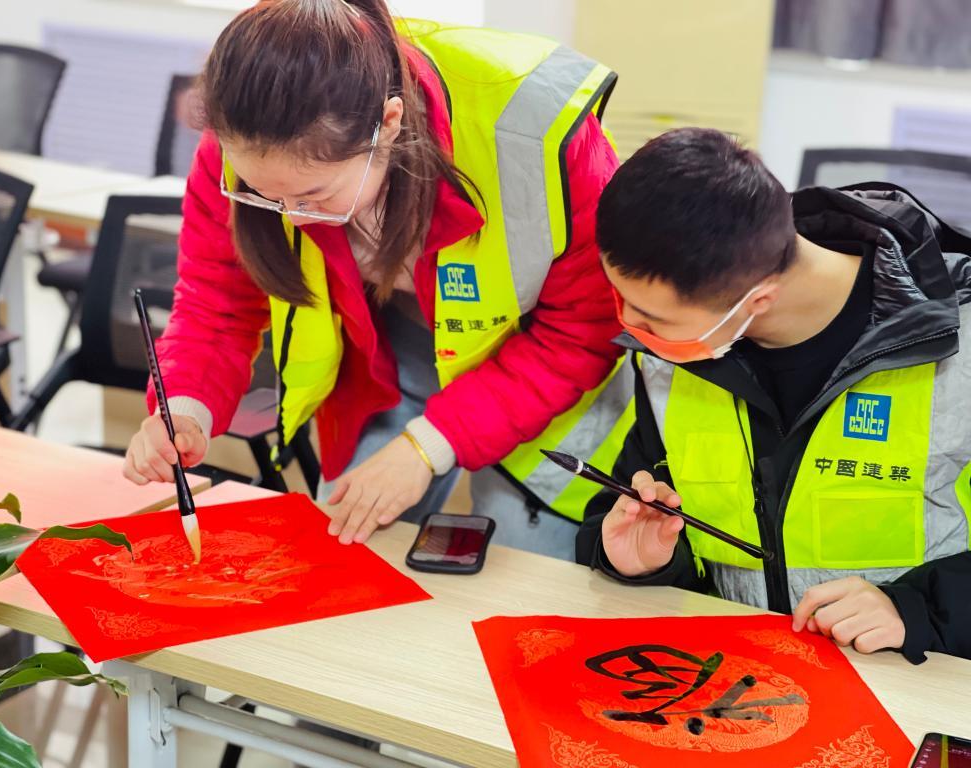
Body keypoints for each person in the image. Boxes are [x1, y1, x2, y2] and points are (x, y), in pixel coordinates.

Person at [122, 0, 635, 559]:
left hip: (546, 381)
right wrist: (186, 409)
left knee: (523, 570)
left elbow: (582, 331)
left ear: (387, 125)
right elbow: (216, 301)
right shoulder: (246, 137)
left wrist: (429, 447)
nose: (289, 218)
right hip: (387, 362)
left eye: (313, 196)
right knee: (347, 559)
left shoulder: (535, 136)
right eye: (265, 196)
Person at [577, 127, 971, 663]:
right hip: (737, 682)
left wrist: (915, 608)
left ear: (757, 300)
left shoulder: (957, 344)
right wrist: (635, 558)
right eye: (620, 300)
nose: (626, 326)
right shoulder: (679, 355)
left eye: (652, 317)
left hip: (915, 685)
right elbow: (626, 499)